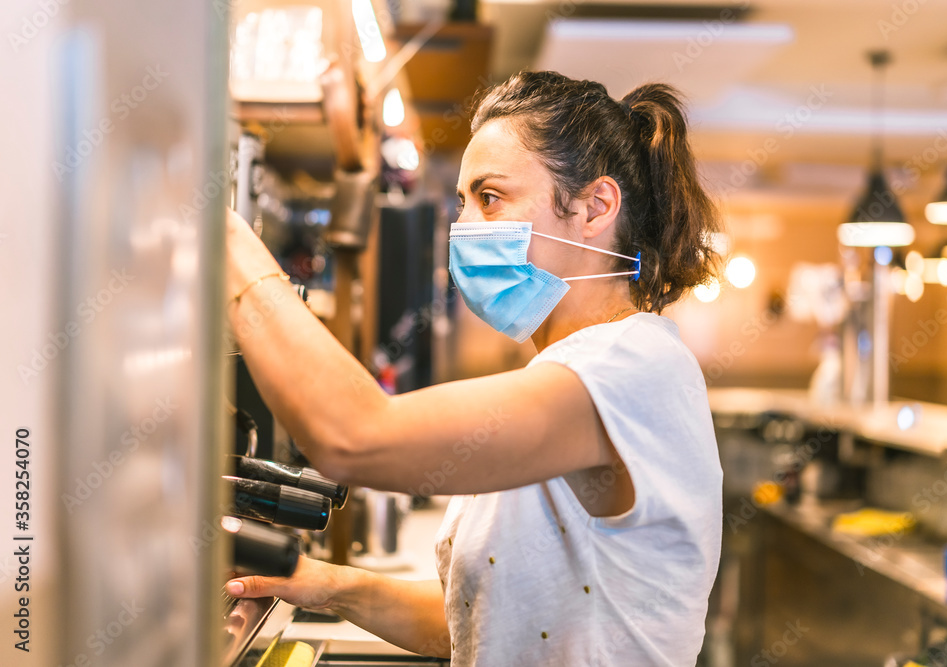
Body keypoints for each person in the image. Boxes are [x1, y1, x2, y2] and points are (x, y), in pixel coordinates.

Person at [224, 70, 724, 666]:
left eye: (490, 198)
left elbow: (354, 435)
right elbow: (483, 617)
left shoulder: (630, 368)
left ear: (595, 207)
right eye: (463, 203)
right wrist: (324, 584)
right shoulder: (578, 365)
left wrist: (231, 248)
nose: (464, 228)